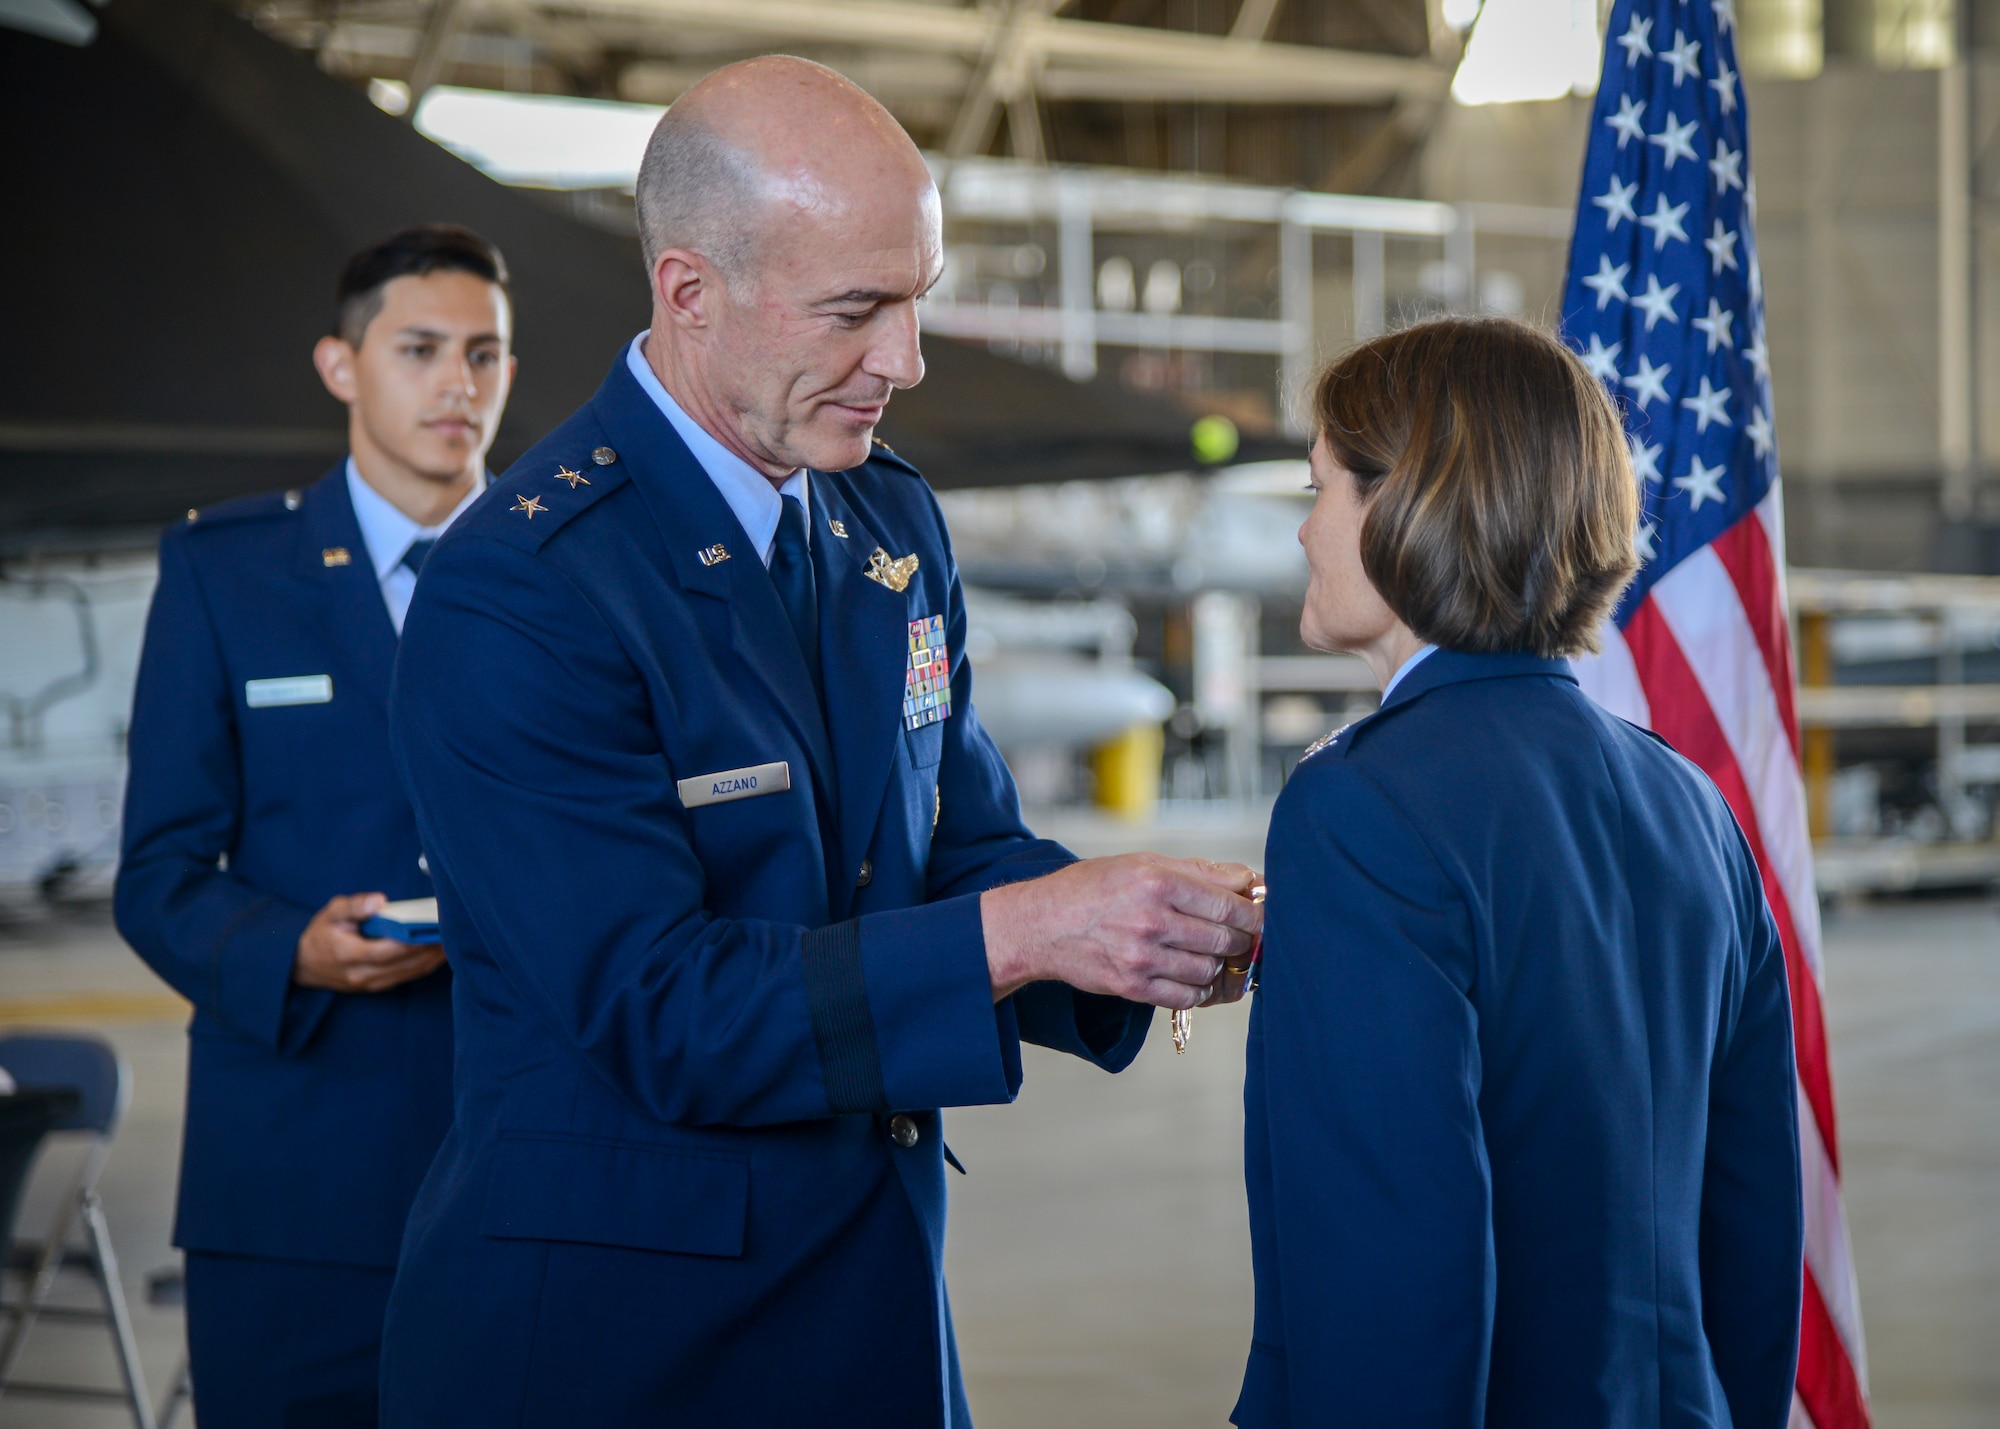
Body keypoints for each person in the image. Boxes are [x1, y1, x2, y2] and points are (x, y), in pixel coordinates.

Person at [379, 56, 1258, 1427]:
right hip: (626, 1343)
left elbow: (954, 843)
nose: (903, 362)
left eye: (916, 301)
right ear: (689, 292)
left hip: (874, 1299)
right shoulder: (530, 587)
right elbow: (659, 1008)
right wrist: (1029, 932)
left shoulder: (885, 521)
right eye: (857, 311)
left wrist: (1139, 939)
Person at [1234, 318, 1804, 1427]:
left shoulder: (1357, 809)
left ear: (1406, 508)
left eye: (1321, 490)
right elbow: (1752, 1227)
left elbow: (1388, 1264)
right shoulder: (1692, 806)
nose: (1303, 533)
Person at [115, 224, 516, 1427]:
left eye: (487, 354)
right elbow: (159, 873)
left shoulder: (568, 572)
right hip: (293, 1177)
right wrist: (292, 947)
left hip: (524, 1159)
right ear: (341, 367)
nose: (460, 386)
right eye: (421, 349)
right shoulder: (223, 575)